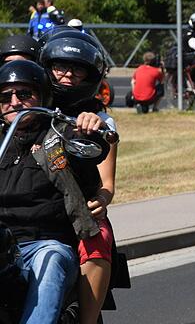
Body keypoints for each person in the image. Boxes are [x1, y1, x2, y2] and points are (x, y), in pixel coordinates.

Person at [0, 59, 107, 323]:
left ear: (42, 96)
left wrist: (90, 128)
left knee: (51, 258)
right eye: (5, 96)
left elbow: (91, 149)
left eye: (24, 94)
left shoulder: (58, 134)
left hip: (44, 244)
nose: (14, 101)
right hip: (3, 244)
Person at [38, 28, 117, 324]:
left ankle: (86, 319)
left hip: (75, 211)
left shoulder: (99, 121)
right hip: (29, 207)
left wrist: (100, 199)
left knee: (97, 240)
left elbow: (107, 184)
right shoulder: (30, 110)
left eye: (78, 69)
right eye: (60, 67)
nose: (68, 75)